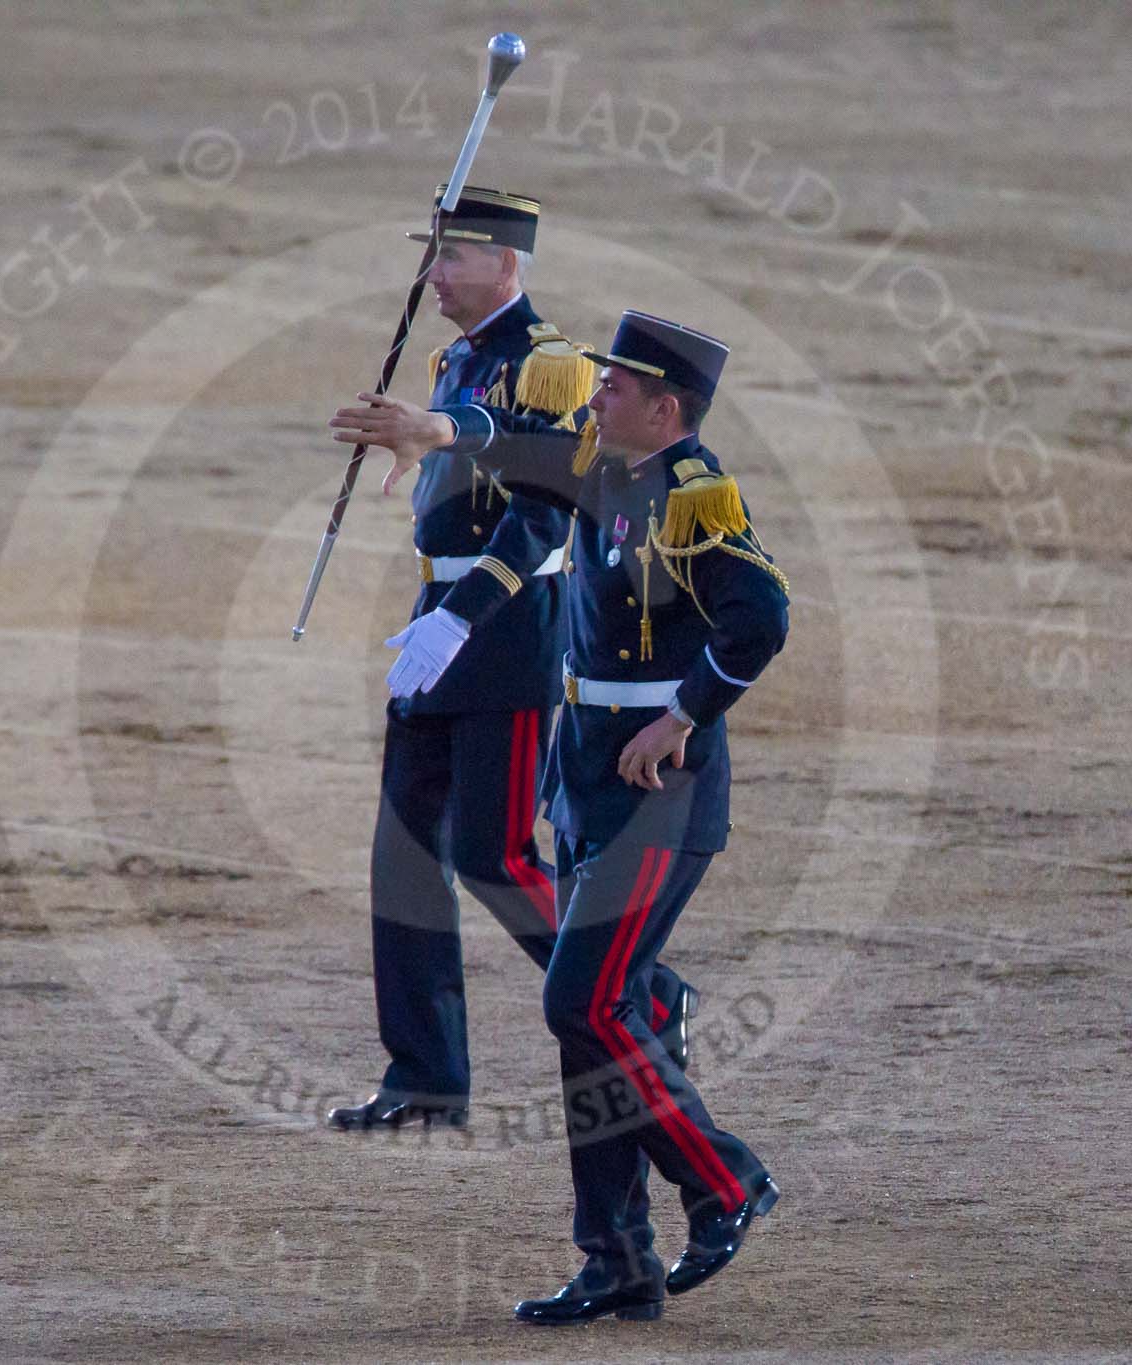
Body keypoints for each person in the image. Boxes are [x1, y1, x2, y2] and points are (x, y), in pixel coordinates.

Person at [330, 310, 789, 1323]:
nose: (594, 395)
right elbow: (521, 445)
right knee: (596, 1021)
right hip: (585, 780)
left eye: (615, 387)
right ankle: (616, 1258)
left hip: (657, 796)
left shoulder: (690, 493)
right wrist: (432, 428)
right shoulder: (598, 466)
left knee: (580, 1007)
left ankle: (723, 1182)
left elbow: (762, 619)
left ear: (665, 409)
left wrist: (683, 713)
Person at [330, 189, 698, 1133]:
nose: (435, 273)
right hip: (438, 615)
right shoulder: (456, 358)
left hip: (509, 624)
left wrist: (462, 616)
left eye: (455, 255)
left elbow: (545, 511)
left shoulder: (553, 368)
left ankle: (646, 998)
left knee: (493, 853)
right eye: (433, 253)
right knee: (403, 855)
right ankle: (424, 1074)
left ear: (509, 264)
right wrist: (420, 473)